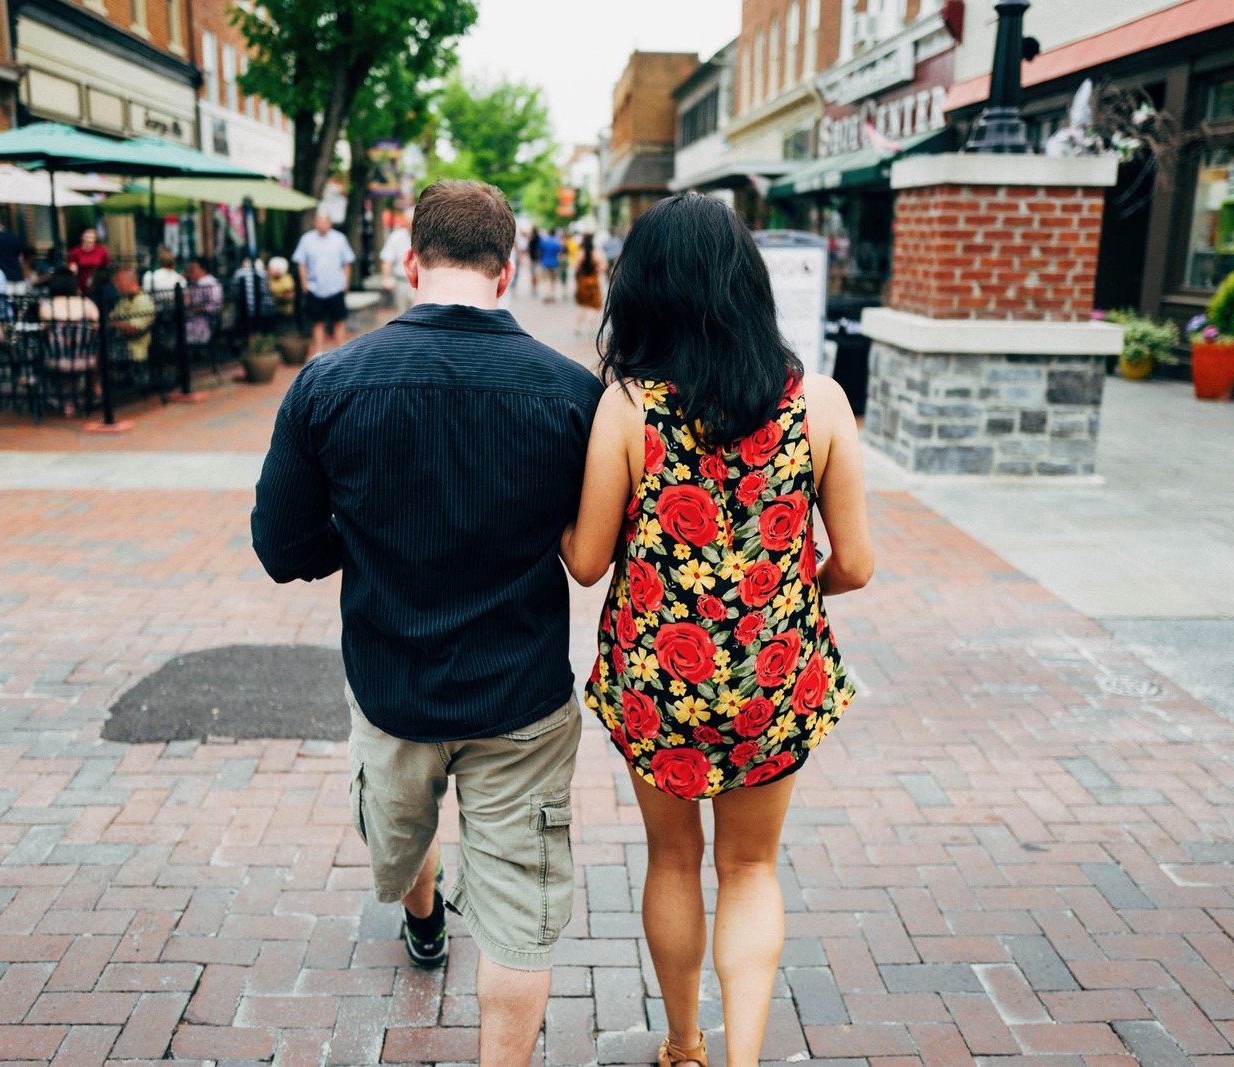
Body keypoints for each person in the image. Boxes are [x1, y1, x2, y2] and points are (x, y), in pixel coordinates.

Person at [253, 180, 601, 1067]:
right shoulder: (571, 393)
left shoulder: (330, 383)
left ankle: (423, 920)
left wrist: (361, 539)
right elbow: (600, 544)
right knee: (520, 919)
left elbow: (282, 545)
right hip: (521, 692)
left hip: (394, 681)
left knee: (403, 830)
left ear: (410, 263)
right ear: (509, 267)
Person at [558, 194, 874, 1067]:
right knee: (751, 870)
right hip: (773, 680)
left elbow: (586, 563)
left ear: (646, 289)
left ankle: (684, 1045)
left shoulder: (627, 407)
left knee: (672, 861)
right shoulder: (819, 404)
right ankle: (742, 1060)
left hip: (659, 680)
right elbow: (856, 563)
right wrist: (791, 587)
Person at [292, 211, 356, 355]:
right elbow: (301, 263)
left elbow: (347, 262)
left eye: (324, 221)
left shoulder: (339, 239)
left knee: (338, 320)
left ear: (330, 222)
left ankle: (341, 352)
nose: (322, 224)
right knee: (317, 321)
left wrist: (346, 282)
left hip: (335, 286)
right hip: (315, 287)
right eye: (319, 221)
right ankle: (319, 352)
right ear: (315, 222)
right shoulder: (307, 239)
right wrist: (304, 283)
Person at [39, 268, 99, 417]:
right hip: (85, 356)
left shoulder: (47, 306)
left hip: (58, 358)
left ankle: (66, 402)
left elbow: (44, 330)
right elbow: (97, 326)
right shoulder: (86, 303)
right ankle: (84, 395)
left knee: (43, 355)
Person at [108, 267, 156, 364]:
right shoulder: (124, 300)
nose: (116, 286)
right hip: (120, 345)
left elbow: (134, 329)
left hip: (134, 351)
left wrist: (115, 324)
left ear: (131, 281)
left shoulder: (144, 301)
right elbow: (111, 318)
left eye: (119, 282)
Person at [379, 211, 414, 314]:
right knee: (402, 313)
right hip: (402, 282)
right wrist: (386, 278)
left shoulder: (427, 236)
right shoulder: (396, 237)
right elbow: (387, 259)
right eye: (409, 222)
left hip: (421, 283)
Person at [183, 256, 223, 345]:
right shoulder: (193, 284)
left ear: (202, 270)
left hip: (205, 325)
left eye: (193, 269)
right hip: (191, 323)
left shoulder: (210, 283)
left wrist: (198, 308)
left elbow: (215, 306)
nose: (190, 272)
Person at [572, 233, 605, 337]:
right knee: (593, 306)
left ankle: (578, 327)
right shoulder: (598, 253)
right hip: (594, 282)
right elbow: (604, 267)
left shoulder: (580, 252)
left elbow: (576, 267)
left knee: (581, 305)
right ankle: (591, 329)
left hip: (582, 281)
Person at [66, 227, 111, 294]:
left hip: (98, 284)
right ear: (82, 238)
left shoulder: (101, 250)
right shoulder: (75, 252)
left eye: (92, 237)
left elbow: (107, 266)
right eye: (87, 237)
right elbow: (72, 272)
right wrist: (76, 287)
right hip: (82, 284)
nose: (90, 240)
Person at [537, 229, 562, 302]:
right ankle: (552, 295)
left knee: (546, 280)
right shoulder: (557, 242)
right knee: (553, 280)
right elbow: (559, 252)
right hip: (554, 263)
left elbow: (540, 251)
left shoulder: (544, 242)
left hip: (545, 262)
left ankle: (546, 295)